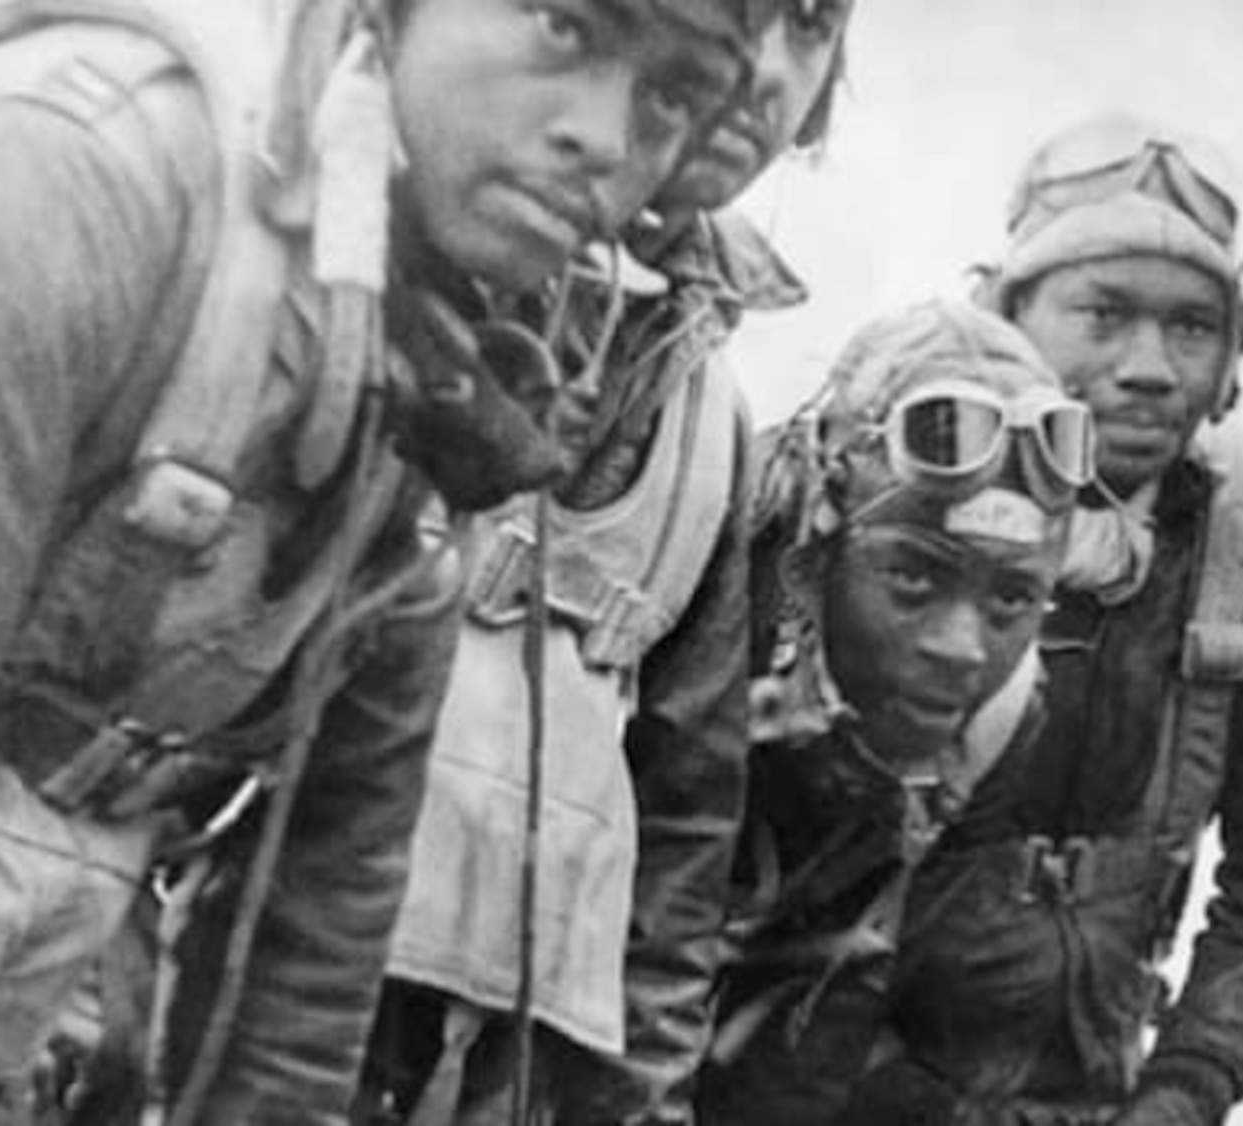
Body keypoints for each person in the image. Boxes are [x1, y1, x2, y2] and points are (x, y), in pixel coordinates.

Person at [0, 0, 775, 1123]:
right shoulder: (72, 181)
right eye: (561, 25)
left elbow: (305, 970)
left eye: (671, 93)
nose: (605, 135)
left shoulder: (417, 386)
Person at [358, 3, 857, 1123]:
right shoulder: (392, 259)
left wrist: (640, 1107)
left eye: (814, 25)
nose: (766, 72)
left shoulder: (709, 420)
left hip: (511, 1068)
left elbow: (685, 827)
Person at [851, 115, 1243, 1126]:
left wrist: (1186, 1088)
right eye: (1103, 314)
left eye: (1190, 327)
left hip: (1102, 1092)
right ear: (1010, 313)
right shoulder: (878, 486)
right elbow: (740, 853)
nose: (1150, 368)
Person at [691, 299, 1090, 1126]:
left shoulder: (998, 721)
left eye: (1012, 598)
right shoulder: (708, 599)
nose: (962, 648)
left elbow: (840, 998)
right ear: (821, 543)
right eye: (913, 579)